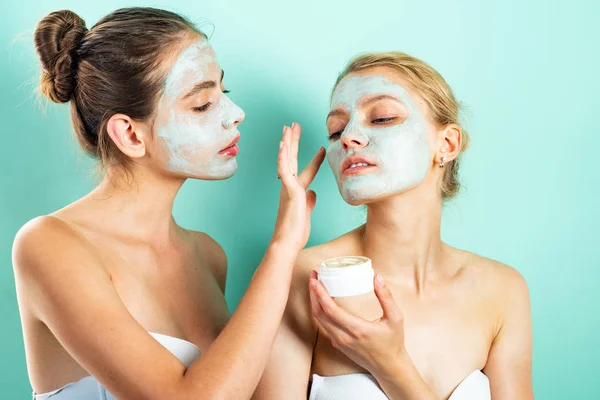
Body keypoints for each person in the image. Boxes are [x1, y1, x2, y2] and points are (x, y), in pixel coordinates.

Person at [13, 7, 324, 400]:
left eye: (223, 93)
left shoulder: (208, 256)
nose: (236, 115)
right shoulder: (50, 245)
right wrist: (282, 248)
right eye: (202, 104)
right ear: (129, 134)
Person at [256, 52, 533, 400]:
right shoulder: (304, 280)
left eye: (383, 118)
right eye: (336, 129)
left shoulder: (503, 291)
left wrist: (391, 365)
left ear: (446, 144)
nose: (349, 137)